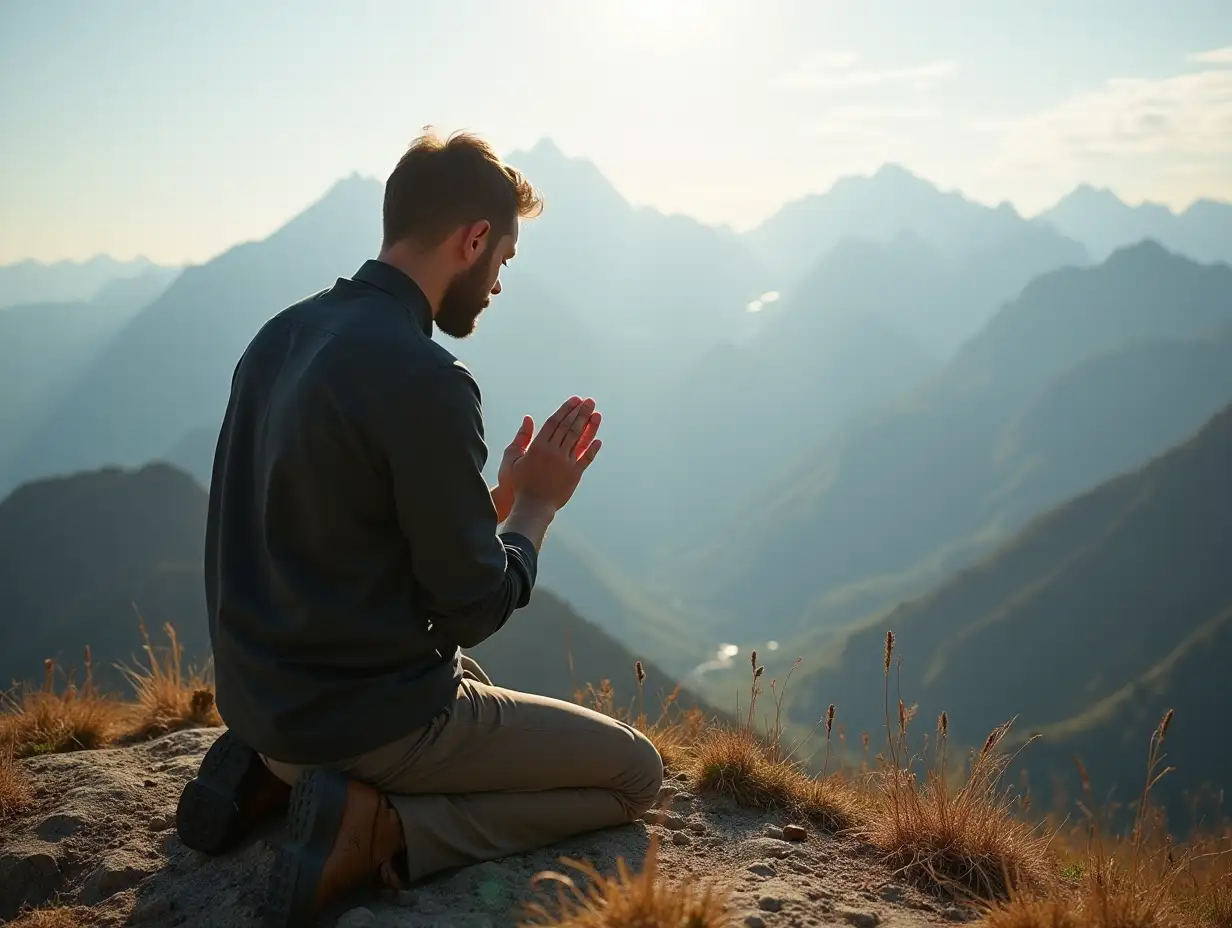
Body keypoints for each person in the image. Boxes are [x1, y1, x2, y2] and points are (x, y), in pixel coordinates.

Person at [174, 129, 664, 928]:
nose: (498, 283)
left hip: (263, 703)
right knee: (636, 775)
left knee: (462, 678)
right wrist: (538, 508)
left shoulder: (281, 335)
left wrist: (489, 502)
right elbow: (472, 608)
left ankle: (279, 778)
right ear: (473, 240)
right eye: (502, 260)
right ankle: (378, 830)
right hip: (361, 720)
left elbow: (331, 524)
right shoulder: (428, 377)